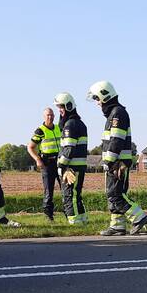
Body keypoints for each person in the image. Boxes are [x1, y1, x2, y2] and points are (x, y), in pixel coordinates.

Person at [87, 80, 147, 236]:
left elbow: (116, 140)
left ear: (105, 96)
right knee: (113, 194)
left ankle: (139, 217)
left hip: (117, 164)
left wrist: (110, 161)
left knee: (116, 194)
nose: (97, 103)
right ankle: (117, 226)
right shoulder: (115, 113)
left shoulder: (117, 113)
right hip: (116, 162)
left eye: (97, 99)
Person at [54, 93, 89, 225]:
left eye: (61, 107)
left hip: (71, 168)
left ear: (68, 106)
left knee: (69, 196)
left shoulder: (70, 125)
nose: (59, 110)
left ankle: (74, 223)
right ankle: (83, 220)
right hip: (78, 166)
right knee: (76, 195)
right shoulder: (79, 123)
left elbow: (68, 149)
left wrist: (61, 166)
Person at [28, 108, 61, 221]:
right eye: (47, 115)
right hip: (47, 163)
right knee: (49, 191)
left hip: (60, 162)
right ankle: (48, 216)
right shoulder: (40, 131)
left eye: (51, 115)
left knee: (66, 190)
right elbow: (30, 147)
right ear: (44, 116)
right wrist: (37, 159)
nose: (50, 117)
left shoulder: (59, 128)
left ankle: (69, 214)